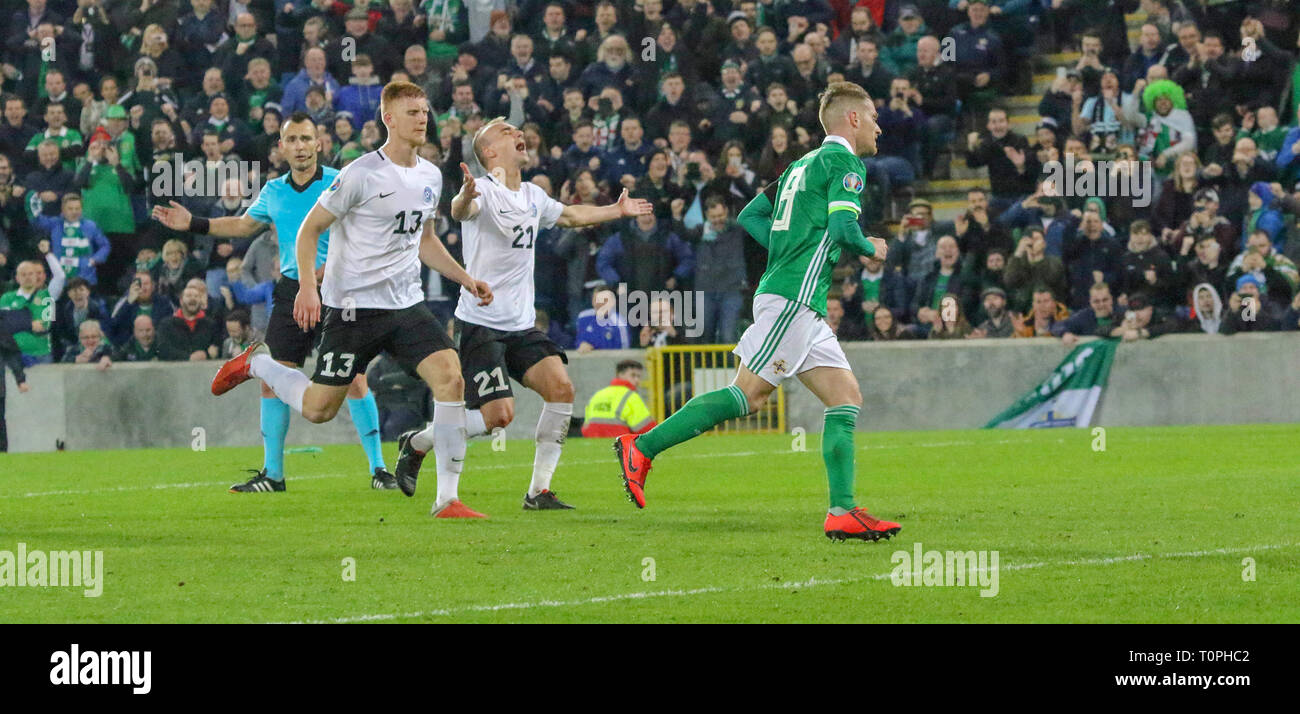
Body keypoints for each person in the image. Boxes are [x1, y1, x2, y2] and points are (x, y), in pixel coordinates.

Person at [614, 81, 902, 542]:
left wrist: (789, 251)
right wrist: (874, 248)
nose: (878, 126)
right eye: (872, 117)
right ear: (852, 119)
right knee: (748, 396)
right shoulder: (844, 162)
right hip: (793, 299)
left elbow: (750, 214)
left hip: (798, 299)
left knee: (845, 397)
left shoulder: (799, 166)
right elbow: (846, 229)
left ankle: (843, 511)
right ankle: (641, 446)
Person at [211, 82, 494, 518]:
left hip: (405, 305)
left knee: (451, 380)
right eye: (413, 112)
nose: (423, 118)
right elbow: (309, 231)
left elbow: (426, 240)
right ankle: (256, 363)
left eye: (425, 111)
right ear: (389, 119)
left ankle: (447, 499)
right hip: (352, 310)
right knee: (319, 410)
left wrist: (465, 277)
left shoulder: (430, 175)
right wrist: (307, 286)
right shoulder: (361, 173)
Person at [397, 116, 650, 512]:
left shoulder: (532, 195)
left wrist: (615, 211)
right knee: (499, 417)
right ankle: (420, 441)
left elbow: (570, 215)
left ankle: (538, 492)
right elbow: (462, 210)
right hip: (481, 323)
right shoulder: (482, 188)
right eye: (505, 131)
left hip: (521, 324)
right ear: (490, 152)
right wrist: (462, 195)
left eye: (517, 129)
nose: (517, 133)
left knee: (562, 389)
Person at [153, 111, 395, 493]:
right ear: (281, 147)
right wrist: (193, 223)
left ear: (319, 143)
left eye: (306, 139)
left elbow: (365, 234)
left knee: (354, 379)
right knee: (273, 382)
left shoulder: (340, 183)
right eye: (292, 140)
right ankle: (273, 474)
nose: (299, 147)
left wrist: (325, 273)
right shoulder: (274, 191)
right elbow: (242, 225)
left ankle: (380, 469)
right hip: (292, 294)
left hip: (336, 293)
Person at [581, 359, 657, 438]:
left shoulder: (598, 394)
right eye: (633, 375)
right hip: (619, 444)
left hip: (592, 443)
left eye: (639, 377)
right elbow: (647, 430)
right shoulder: (631, 396)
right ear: (620, 375)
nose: (637, 380)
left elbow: (585, 428)